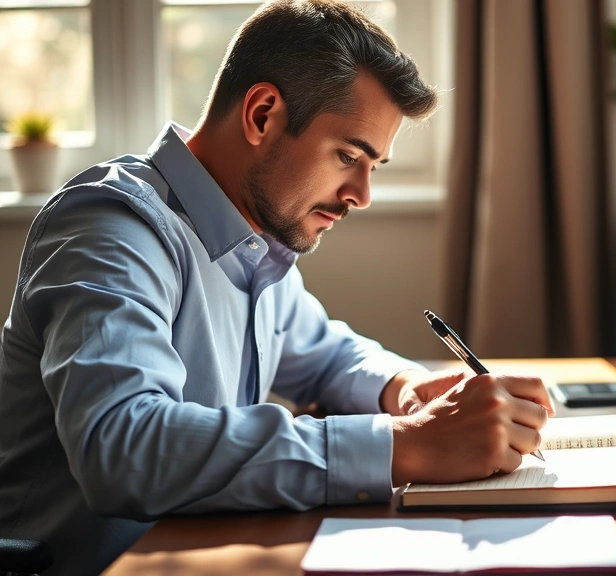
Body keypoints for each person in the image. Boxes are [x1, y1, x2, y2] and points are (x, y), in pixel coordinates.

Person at [0, 2, 553, 574]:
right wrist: (404, 444)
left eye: (375, 167)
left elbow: (322, 356)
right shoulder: (111, 227)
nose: (361, 194)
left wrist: (408, 389)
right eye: (348, 156)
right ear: (262, 114)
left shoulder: (252, 238)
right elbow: (124, 445)